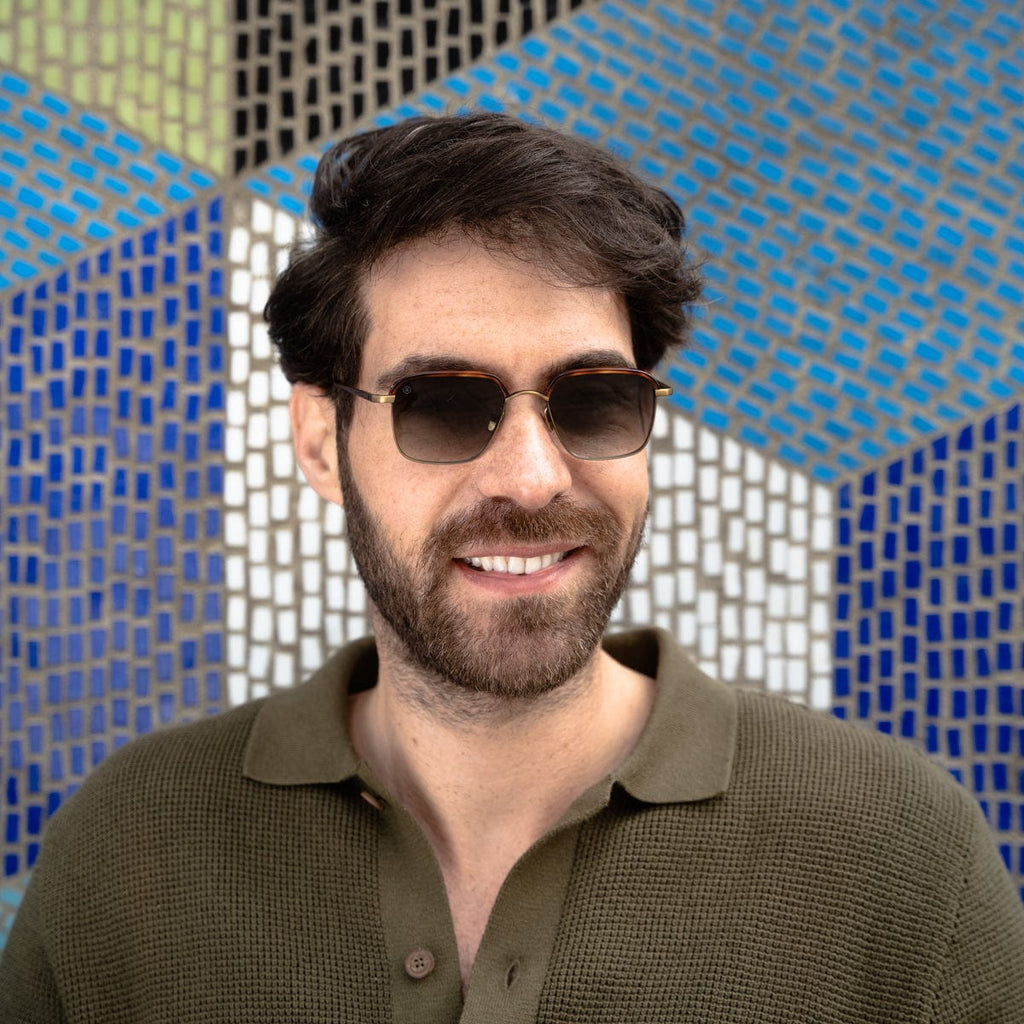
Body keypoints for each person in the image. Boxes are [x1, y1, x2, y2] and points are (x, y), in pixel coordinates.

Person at [2, 112, 1022, 1023]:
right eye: (444, 405)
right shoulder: (130, 844)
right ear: (319, 441)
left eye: (593, 399)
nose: (531, 479)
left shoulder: (899, 851)